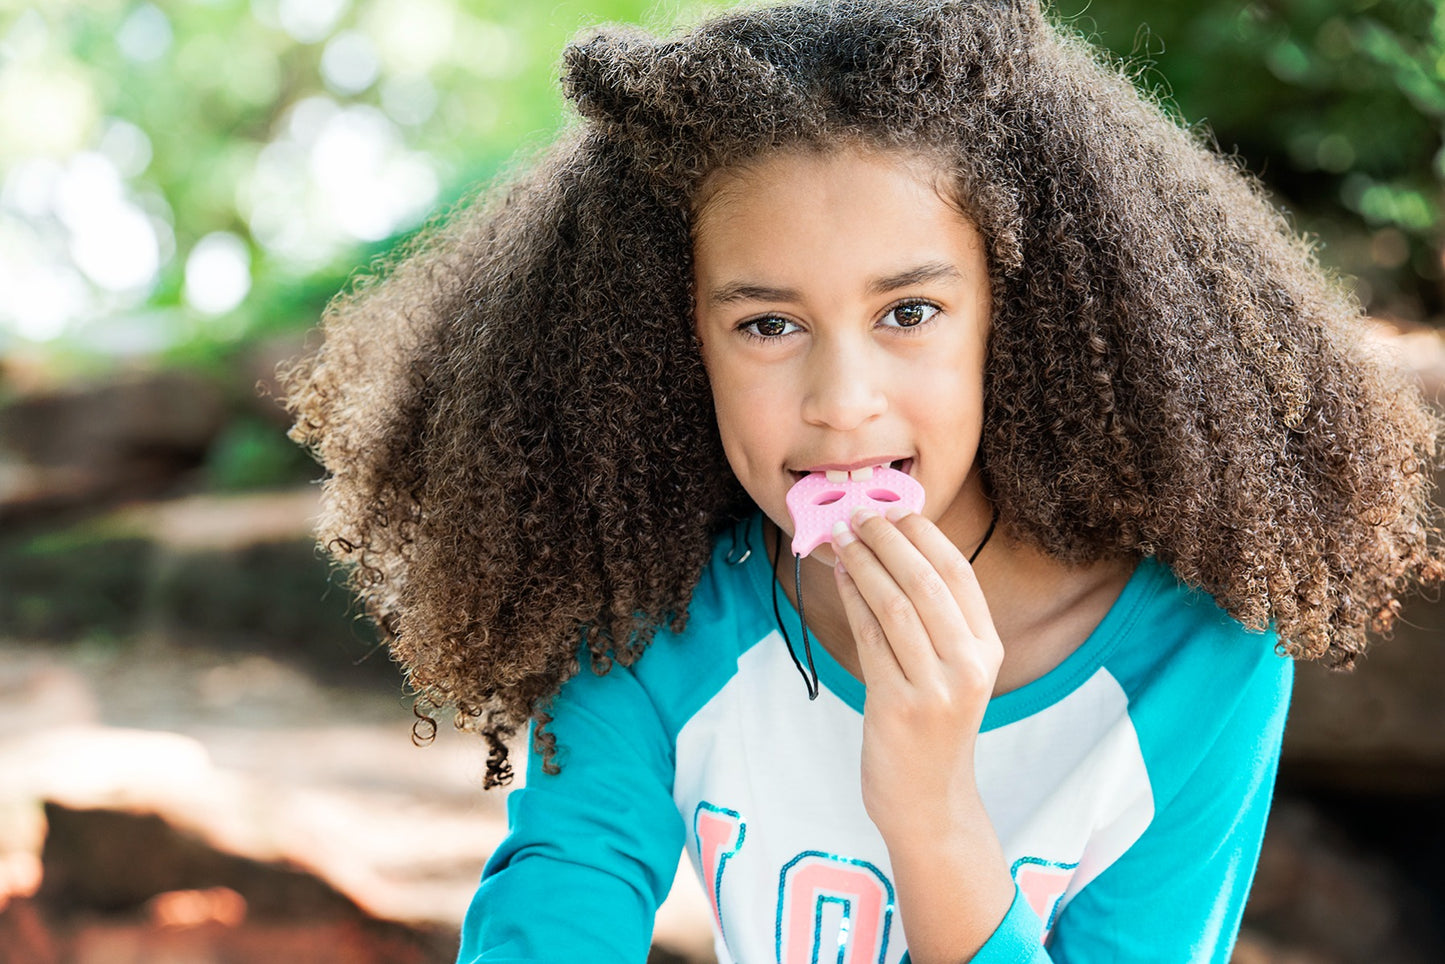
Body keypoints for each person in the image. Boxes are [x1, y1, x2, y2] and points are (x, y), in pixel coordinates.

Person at [282, 1, 1444, 961]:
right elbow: (555, 916)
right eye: (767, 323)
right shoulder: (645, 623)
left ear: (1017, 315)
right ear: (668, 338)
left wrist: (931, 806)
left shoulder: (1200, 654)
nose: (841, 399)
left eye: (908, 311)